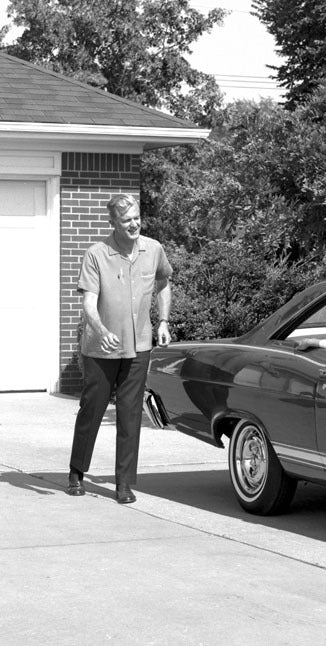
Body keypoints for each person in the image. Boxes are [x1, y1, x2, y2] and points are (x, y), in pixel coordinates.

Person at [67, 194, 173, 504]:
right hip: (100, 350)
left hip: (139, 346)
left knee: (130, 415)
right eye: (126, 220)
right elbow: (88, 301)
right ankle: (76, 471)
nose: (134, 224)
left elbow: (164, 282)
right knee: (93, 410)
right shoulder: (97, 254)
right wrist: (100, 331)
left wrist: (163, 321)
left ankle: (123, 483)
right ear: (113, 222)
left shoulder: (153, 250)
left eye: (137, 217)